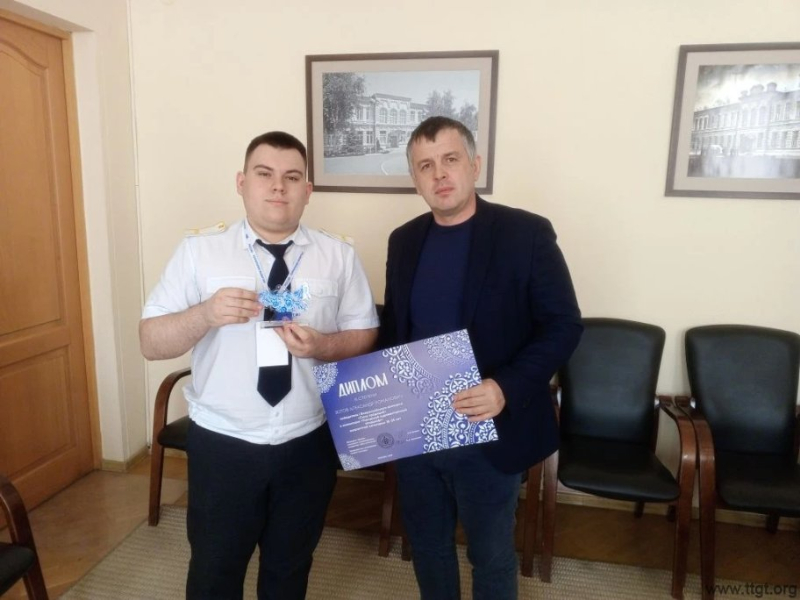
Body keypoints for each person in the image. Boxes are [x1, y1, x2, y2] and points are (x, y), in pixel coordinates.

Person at [140, 131, 378, 600]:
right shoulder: (199, 252)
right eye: (264, 174)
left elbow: (364, 333)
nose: (278, 187)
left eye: (292, 177)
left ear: (307, 190)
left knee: (290, 569)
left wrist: (324, 345)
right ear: (241, 182)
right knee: (214, 571)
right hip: (224, 443)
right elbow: (150, 341)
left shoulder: (338, 255)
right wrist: (204, 314)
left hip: (307, 442)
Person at [378, 116, 582, 600]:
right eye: (425, 166)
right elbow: (394, 333)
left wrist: (504, 387)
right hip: (417, 431)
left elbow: (564, 325)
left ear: (475, 164)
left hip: (489, 428)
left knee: (490, 556)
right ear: (415, 179)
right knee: (428, 547)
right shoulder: (403, 240)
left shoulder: (526, 234)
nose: (439, 174)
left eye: (450, 159)